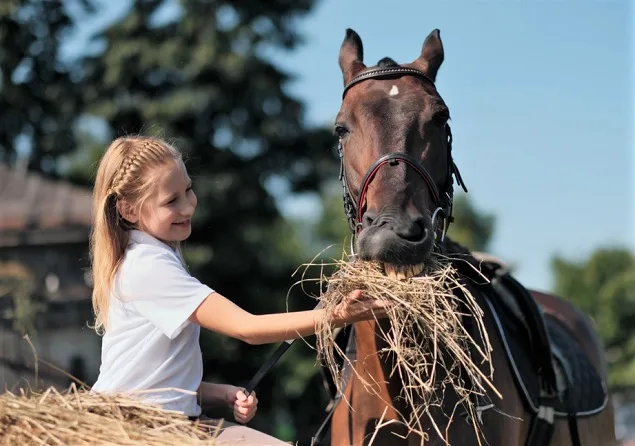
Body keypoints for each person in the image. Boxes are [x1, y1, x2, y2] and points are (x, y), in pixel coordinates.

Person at [88, 135, 389, 444]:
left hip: (175, 423)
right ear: (128, 210)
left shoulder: (156, 255)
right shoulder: (148, 265)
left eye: (188, 190)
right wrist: (337, 316)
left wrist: (222, 394)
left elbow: (155, 380)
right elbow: (249, 328)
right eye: (171, 201)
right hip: (138, 431)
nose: (188, 205)